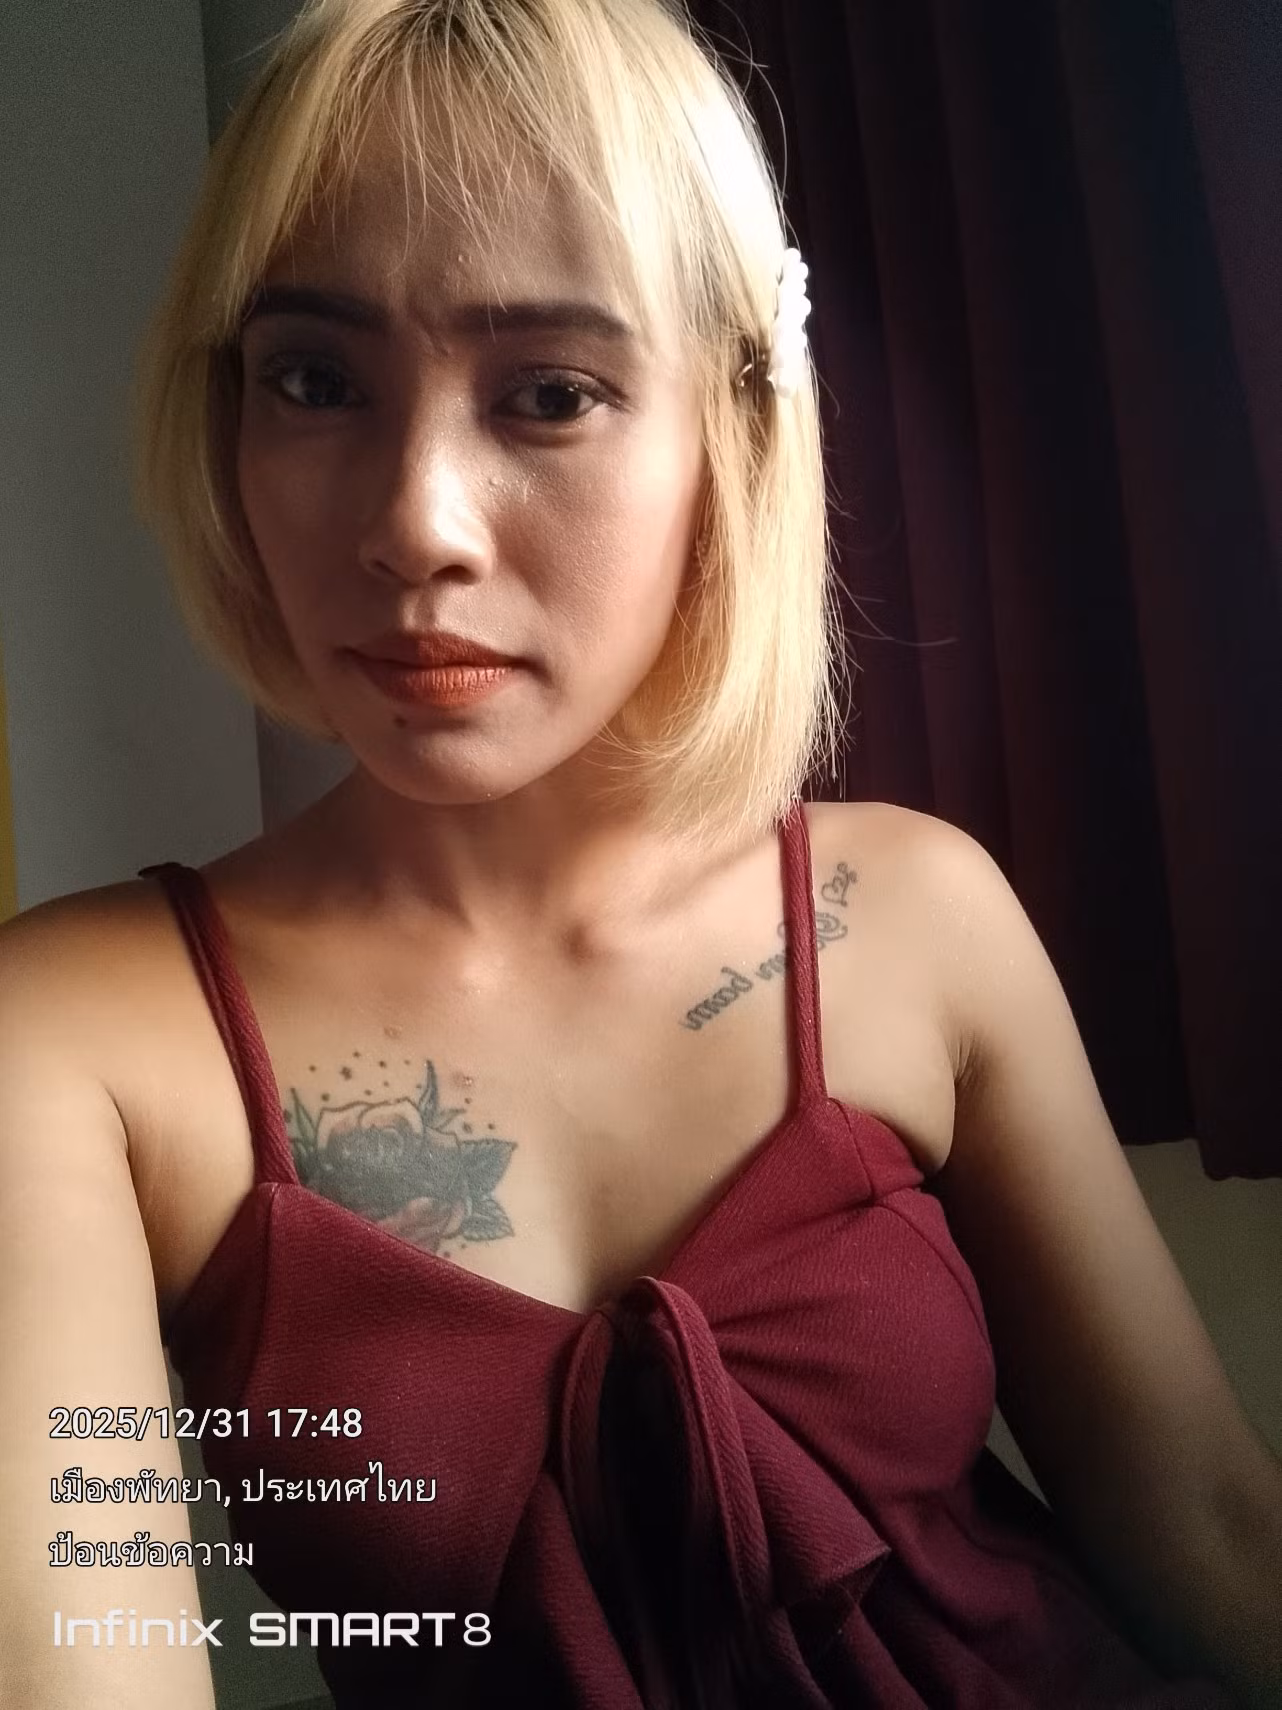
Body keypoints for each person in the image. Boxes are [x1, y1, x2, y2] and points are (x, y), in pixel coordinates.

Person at [1, 1, 1270, 1705]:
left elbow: (1206, 1525)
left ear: (728, 432)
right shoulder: (70, 1036)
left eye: (549, 393)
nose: (416, 523)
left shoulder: (913, 911)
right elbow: (77, 1647)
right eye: (314, 381)